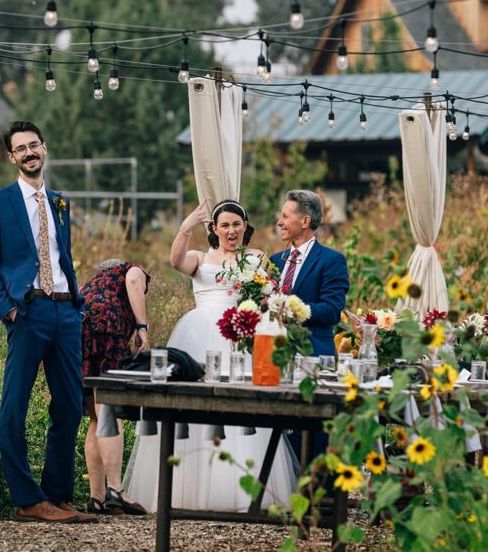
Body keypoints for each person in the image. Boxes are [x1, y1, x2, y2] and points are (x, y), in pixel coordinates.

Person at [123, 200, 297, 512]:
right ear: (214, 230)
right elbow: (175, 260)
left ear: (245, 226)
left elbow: (268, 295)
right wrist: (186, 226)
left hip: (241, 334)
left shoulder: (256, 257)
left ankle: (240, 490)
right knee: (193, 405)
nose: (231, 230)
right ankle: (185, 490)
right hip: (200, 333)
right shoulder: (201, 258)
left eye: (237, 224)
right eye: (225, 225)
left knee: (239, 405)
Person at [0, 120, 96, 524]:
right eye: (20, 149)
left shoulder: (60, 202)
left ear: (44, 149)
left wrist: (77, 308)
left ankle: (58, 497)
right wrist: (9, 310)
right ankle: (27, 499)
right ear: (12, 157)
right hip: (28, 313)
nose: (29, 153)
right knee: (14, 407)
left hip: (66, 312)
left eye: (34, 145)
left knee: (69, 408)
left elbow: (63, 258)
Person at [270, 189, 350, 464]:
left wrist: (292, 310)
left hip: (314, 356)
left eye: (285, 216)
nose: (279, 222)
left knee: (314, 435)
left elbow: (331, 311)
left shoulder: (331, 260)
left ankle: (320, 496)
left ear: (304, 221)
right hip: (272, 357)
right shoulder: (273, 262)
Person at [79, 258, 151, 516]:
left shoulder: (95, 282)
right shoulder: (131, 269)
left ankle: (96, 497)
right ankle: (116, 490)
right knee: (110, 410)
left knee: (96, 417)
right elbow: (133, 280)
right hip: (108, 332)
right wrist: (142, 327)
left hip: (81, 334)